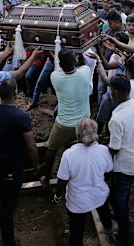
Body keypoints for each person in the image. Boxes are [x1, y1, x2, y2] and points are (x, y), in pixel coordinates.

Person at [0, 78, 38, 246]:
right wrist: (36, 167)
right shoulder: (21, 117)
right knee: (7, 210)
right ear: (15, 94)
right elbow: (32, 147)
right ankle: (9, 242)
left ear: (0, 94)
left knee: (2, 192)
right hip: (14, 166)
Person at [54, 118, 113, 246]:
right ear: (96, 133)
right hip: (99, 195)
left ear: (78, 135)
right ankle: (108, 228)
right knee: (104, 212)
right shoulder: (104, 150)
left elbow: (62, 181)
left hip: (77, 202)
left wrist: (57, 196)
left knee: (76, 230)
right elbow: (108, 172)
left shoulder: (69, 155)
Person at [107, 74, 134, 245]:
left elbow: (115, 148)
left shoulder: (117, 119)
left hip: (125, 164)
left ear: (115, 92)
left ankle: (125, 237)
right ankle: (120, 212)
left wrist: (103, 155)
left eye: (110, 89)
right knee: (123, 192)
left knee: (118, 199)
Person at [41, 49, 93, 186]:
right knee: (87, 148)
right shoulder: (84, 73)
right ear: (75, 60)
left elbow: (59, 66)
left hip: (63, 124)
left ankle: (46, 178)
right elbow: (84, 63)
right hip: (84, 124)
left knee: (51, 149)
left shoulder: (55, 77)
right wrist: (80, 50)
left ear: (60, 64)